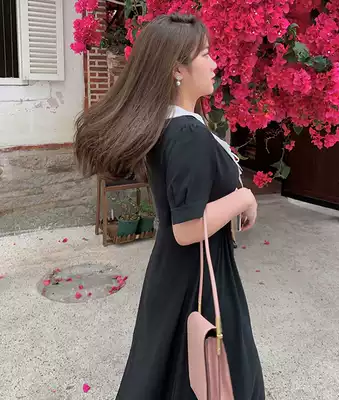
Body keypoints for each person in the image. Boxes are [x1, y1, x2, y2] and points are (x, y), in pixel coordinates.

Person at [74, 13, 265, 400]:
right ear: (178, 68)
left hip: (176, 274)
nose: (215, 63)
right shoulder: (188, 133)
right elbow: (187, 228)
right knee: (210, 376)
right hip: (197, 274)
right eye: (206, 54)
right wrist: (243, 197)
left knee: (166, 369)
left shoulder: (169, 123)